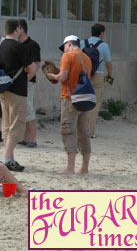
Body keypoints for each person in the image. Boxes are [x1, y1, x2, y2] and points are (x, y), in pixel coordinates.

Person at [46, 35, 93, 175]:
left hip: (70, 98)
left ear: (70, 43)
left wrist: (52, 76)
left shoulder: (68, 56)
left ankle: (70, 168)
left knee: (68, 131)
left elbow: (63, 77)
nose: (64, 50)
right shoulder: (86, 58)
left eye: (64, 46)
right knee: (83, 132)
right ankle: (84, 167)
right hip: (85, 98)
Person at [0, 19, 37, 172]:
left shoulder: (2, 45)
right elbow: (32, 68)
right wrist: (25, 78)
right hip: (17, 90)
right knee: (17, 123)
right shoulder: (18, 46)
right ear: (18, 29)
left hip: (3, 88)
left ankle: (9, 157)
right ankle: (7, 158)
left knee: (6, 122)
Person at [85, 23, 112, 138]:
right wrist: (110, 76)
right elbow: (109, 64)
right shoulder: (104, 46)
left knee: (83, 101)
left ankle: (80, 129)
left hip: (84, 75)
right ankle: (90, 132)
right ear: (101, 33)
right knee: (95, 104)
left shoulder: (83, 43)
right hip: (98, 75)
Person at [18, 19, 41, 148]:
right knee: (23, 110)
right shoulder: (16, 44)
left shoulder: (32, 45)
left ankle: (33, 138)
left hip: (28, 81)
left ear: (21, 29)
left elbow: (37, 64)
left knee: (29, 109)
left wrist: (27, 78)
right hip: (18, 81)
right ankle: (25, 137)